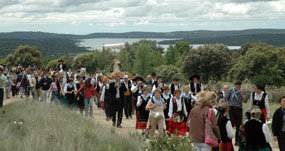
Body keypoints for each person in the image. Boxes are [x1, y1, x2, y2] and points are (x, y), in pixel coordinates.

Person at [224, 80, 248, 146]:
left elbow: (245, 100)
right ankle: (229, 140)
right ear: (234, 85)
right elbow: (225, 98)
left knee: (238, 125)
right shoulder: (231, 90)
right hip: (231, 108)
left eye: (239, 86)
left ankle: (237, 140)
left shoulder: (242, 91)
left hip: (239, 109)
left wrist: (242, 95)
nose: (238, 87)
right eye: (236, 86)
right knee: (231, 124)